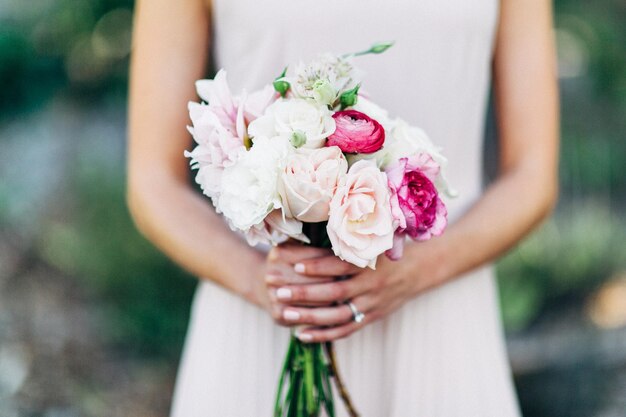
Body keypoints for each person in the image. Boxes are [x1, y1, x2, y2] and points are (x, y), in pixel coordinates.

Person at [127, 0, 559, 415]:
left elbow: (532, 176)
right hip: (261, 322)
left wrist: (420, 268)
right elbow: (152, 182)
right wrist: (268, 284)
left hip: (442, 327)